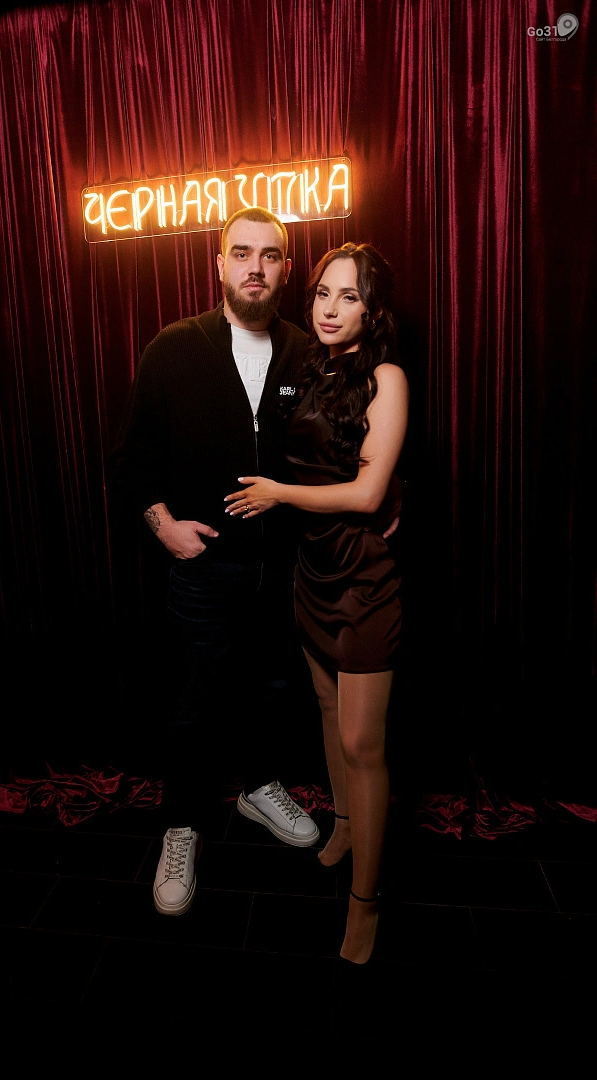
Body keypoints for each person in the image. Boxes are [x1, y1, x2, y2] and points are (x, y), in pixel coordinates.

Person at [111, 207, 321, 917]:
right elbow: (134, 459)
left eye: (270, 255)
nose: (255, 267)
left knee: (273, 690)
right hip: (203, 568)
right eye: (241, 253)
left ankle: (259, 788)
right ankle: (182, 827)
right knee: (193, 703)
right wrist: (166, 528)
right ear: (220, 264)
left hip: (285, 568)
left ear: (286, 269)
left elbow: (340, 451)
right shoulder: (174, 347)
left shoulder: (307, 353)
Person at [224, 242, 408, 964]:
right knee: (328, 712)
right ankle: (346, 827)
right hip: (313, 567)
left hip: (363, 576)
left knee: (364, 743)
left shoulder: (386, 376)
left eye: (349, 297)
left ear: (373, 310)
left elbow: (366, 492)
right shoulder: (311, 366)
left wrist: (278, 495)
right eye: (324, 293)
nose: (330, 309)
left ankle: (367, 905)